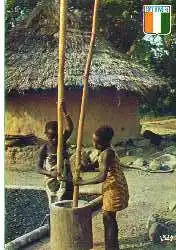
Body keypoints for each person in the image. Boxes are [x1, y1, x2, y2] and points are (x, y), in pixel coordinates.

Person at [74, 125, 129, 250]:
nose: (94, 144)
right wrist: (83, 164)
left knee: (108, 218)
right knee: (109, 217)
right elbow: (95, 166)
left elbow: (101, 177)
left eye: (97, 142)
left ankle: (111, 247)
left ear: (105, 142)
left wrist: (82, 182)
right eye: (94, 141)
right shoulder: (106, 150)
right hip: (114, 185)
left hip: (114, 188)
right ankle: (113, 246)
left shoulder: (107, 153)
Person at [37, 102, 74, 205]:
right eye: (51, 136)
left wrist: (64, 112)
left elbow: (70, 128)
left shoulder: (62, 142)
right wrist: (50, 173)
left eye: (56, 136)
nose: (54, 139)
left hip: (66, 178)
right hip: (52, 180)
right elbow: (38, 168)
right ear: (46, 134)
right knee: (55, 202)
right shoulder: (44, 148)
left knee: (67, 200)